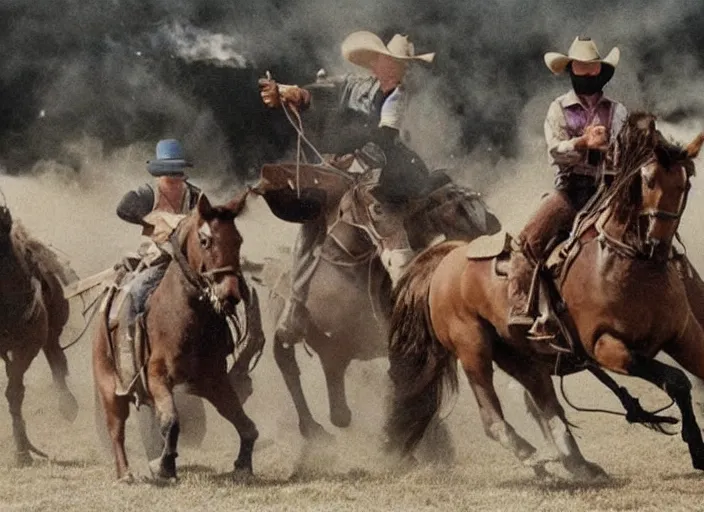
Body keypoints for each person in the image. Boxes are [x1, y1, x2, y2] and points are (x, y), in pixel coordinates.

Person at [259, 31, 435, 345]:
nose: (397, 68)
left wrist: (356, 165)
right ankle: (296, 305)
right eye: (392, 61)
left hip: (382, 166)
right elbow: (316, 94)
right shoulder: (354, 84)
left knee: (383, 219)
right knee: (312, 221)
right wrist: (288, 92)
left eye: (402, 65)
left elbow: (385, 138)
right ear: (376, 62)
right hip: (338, 166)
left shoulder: (397, 96)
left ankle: (410, 304)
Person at [507, 37, 628, 337]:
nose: (586, 73)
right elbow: (555, 150)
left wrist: (609, 148)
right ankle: (526, 309)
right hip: (572, 191)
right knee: (529, 241)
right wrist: (583, 142)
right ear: (571, 70)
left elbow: (627, 153)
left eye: (591, 69)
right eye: (580, 68)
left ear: (600, 72)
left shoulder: (618, 111)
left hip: (611, 190)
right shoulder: (558, 109)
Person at [116, 138, 201, 345]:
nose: (174, 179)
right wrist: (152, 223)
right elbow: (123, 209)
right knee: (136, 290)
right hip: (159, 258)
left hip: (191, 262)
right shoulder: (147, 194)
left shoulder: (195, 196)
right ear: (159, 174)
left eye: (177, 174)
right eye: (169, 174)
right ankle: (131, 338)